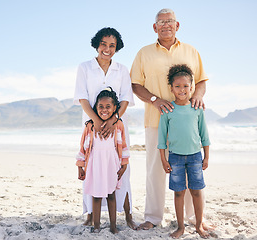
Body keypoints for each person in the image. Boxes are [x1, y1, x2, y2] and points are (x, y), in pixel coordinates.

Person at [130, 8, 210, 230]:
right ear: (154, 27)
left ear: (177, 26)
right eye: (161, 22)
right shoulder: (144, 53)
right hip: (156, 120)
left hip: (187, 124)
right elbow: (135, 84)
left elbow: (201, 80)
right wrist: (155, 100)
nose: (165, 25)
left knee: (189, 170)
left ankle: (194, 218)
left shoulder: (191, 51)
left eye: (170, 21)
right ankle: (153, 218)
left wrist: (197, 96)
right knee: (155, 170)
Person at [74, 27, 136, 229]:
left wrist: (113, 120)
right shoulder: (84, 67)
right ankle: (91, 216)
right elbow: (82, 98)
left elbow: (126, 98)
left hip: (117, 126)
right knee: (93, 169)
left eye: (112, 45)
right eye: (103, 44)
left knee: (120, 169)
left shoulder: (122, 69)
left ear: (117, 48)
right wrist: (97, 122)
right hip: (92, 127)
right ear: (96, 44)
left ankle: (127, 214)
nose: (107, 49)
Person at [158, 64, 210, 239]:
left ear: (192, 87)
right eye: (178, 86)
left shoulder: (197, 109)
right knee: (179, 192)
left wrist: (206, 157)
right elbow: (161, 139)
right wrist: (164, 160)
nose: (182, 89)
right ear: (171, 89)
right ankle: (180, 227)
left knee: (196, 191)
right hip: (175, 158)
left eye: (186, 86)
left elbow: (204, 135)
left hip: (196, 156)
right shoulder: (167, 110)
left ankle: (198, 225)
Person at [76, 87, 130, 233]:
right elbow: (83, 148)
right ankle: (97, 226)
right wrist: (80, 165)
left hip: (111, 163)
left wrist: (124, 164)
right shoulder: (90, 126)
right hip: (94, 163)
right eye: (100, 106)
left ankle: (113, 226)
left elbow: (123, 146)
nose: (104, 110)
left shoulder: (118, 125)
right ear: (95, 108)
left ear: (114, 108)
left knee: (111, 195)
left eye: (108, 107)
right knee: (96, 195)